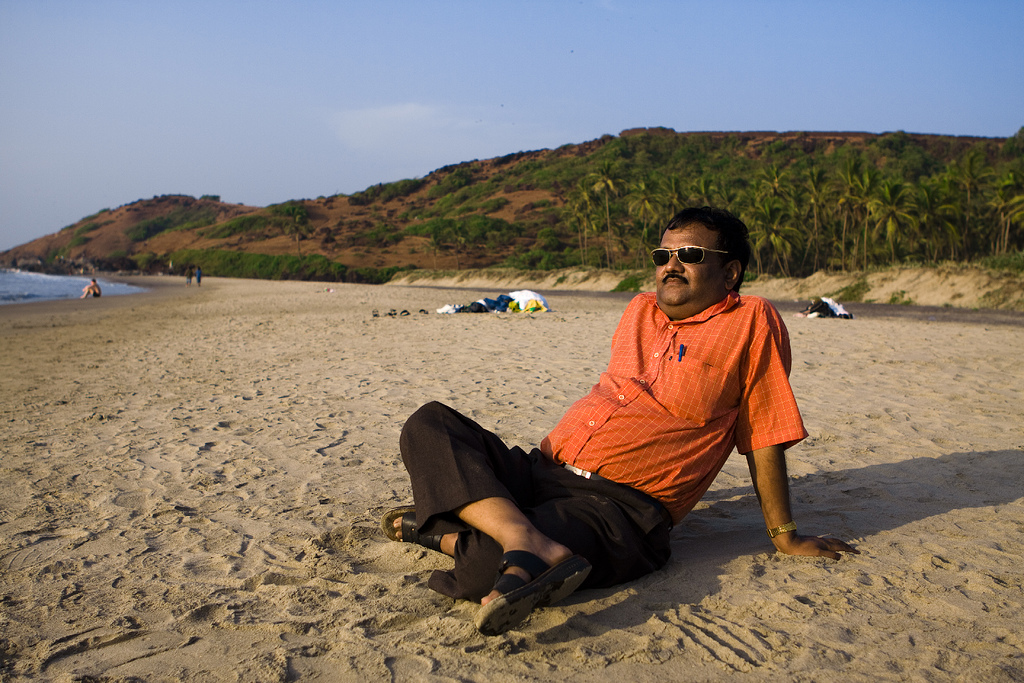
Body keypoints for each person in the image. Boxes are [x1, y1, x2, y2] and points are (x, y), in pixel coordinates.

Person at [383, 207, 859, 636]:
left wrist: (785, 535)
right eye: (663, 255)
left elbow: (764, 430)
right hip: (541, 471)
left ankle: (449, 529)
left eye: (690, 255)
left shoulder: (751, 321)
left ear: (730, 272)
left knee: (484, 568)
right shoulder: (639, 310)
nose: (671, 265)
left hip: (616, 510)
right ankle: (517, 535)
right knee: (429, 424)